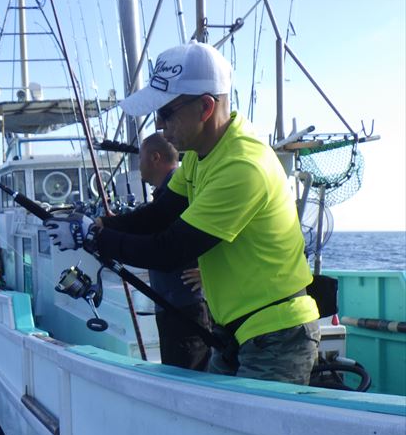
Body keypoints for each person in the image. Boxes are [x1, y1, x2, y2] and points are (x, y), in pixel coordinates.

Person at [45, 41, 319, 385]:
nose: (159, 125)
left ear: (205, 107)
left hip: (275, 336)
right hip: (235, 332)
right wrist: (101, 224)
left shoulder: (242, 166)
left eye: (165, 112)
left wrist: (93, 237)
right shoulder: (199, 156)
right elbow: (159, 215)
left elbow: (169, 250)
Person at [97, 133, 211, 371]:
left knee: (187, 376)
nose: (138, 165)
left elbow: (199, 236)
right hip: (174, 305)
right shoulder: (166, 194)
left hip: (185, 306)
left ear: (155, 158)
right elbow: (149, 222)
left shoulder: (177, 192)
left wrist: (209, 271)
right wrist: (109, 226)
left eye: (140, 158)